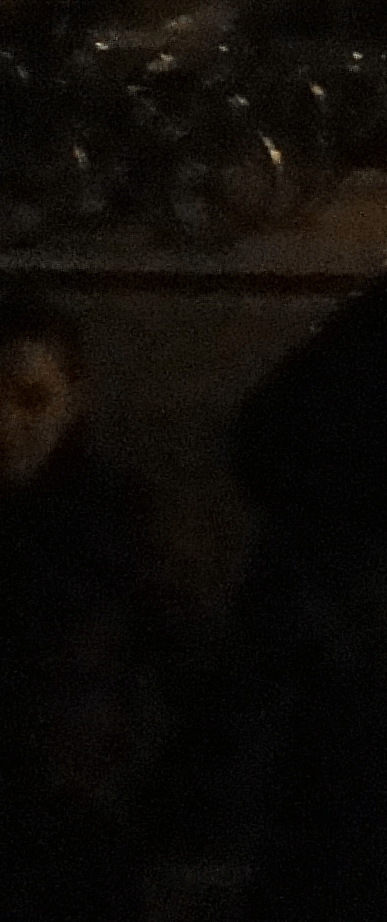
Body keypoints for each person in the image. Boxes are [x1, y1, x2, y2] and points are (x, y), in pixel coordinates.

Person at [1, 290, 186, 922]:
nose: (4, 425)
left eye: (30, 399)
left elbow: (190, 671)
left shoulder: (120, 522)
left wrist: (140, 809)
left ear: (73, 400)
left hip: (75, 840)